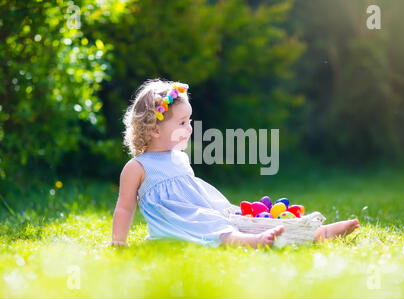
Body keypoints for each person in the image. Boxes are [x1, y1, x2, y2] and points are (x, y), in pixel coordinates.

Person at [111, 79, 359, 249]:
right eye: (182, 123)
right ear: (155, 129)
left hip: (203, 213)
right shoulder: (138, 167)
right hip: (178, 225)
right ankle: (252, 241)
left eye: (189, 121)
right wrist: (118, 241)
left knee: (236, 216)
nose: (189, 128)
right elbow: (124, 207)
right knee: (215, 224)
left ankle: (312, 233)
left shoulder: (180, 157)